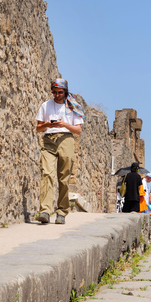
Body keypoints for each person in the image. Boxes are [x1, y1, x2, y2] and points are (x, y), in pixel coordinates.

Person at [35, 78, 85, 224]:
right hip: (49, 139)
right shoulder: (45, 106)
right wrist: (48, 124)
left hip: (66, 139)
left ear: (65, 91)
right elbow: (38, 128)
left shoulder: (72, 107)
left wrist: (64, 124)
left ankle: (62, 211)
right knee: (47, 173)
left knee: (64, 177)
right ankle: (45, 211)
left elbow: (78, 130)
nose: (57, 95)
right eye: (55, 92)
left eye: (60, 92)